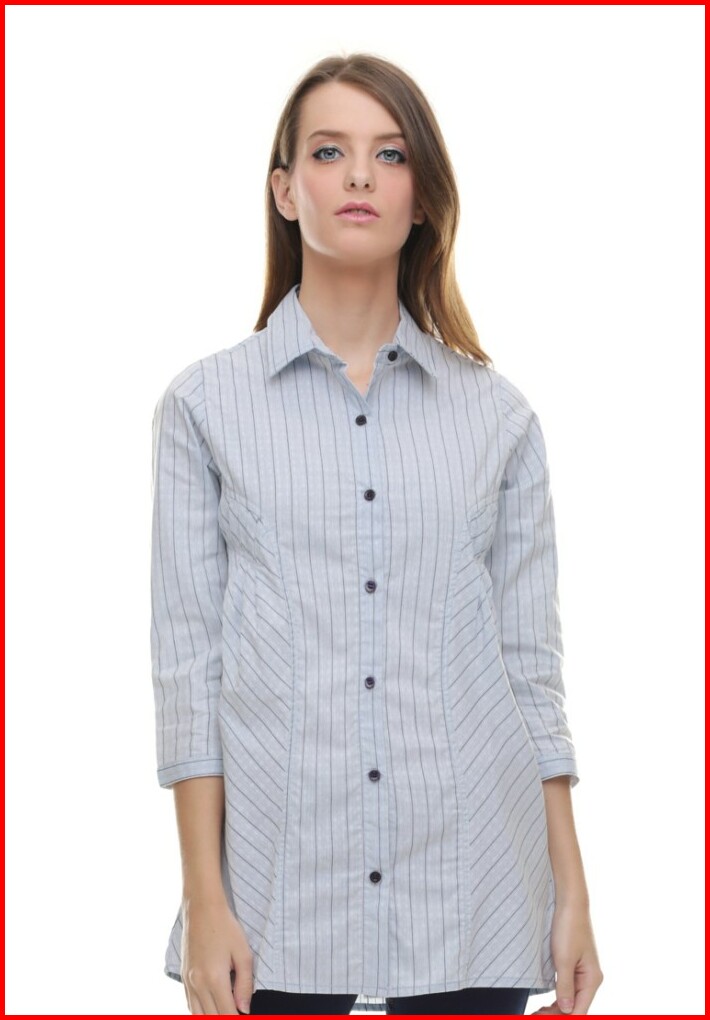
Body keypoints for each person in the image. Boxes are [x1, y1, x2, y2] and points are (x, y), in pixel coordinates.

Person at [150, 52, 604, 1016]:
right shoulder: (203, 409)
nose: (359, 175)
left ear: (422, 196)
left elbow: (531, 672)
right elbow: (190, 672)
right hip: (275, 900)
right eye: (329, 152)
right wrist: (206, 901)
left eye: (390, 154)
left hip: (475, 891)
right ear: (285, 191)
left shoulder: (500, 419)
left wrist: (570, 893)